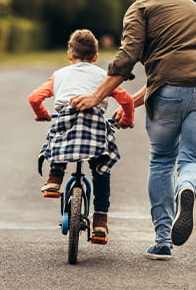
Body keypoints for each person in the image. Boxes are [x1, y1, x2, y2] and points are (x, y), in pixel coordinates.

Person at [70, 0, 196, 260]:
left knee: (162, 160)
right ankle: (187, 187)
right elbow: (177, 66)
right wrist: (130, 103)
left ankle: (162, 242)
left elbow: (128, 56)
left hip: (169, 92)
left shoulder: (141, 7)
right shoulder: (194, 7)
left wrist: (97, 96)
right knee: (192, 160)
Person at [28, 29, 134, 242]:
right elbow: (128, 100)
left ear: (70, 55)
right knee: (101, 170)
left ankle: (54, 179)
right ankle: (101, 223)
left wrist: (43, 114)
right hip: (94, 127)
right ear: (95, 57)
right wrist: (127, 120)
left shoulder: (59, 75)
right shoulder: (104, 77)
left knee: (58, 137)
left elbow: (34, 98)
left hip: (66, 119)